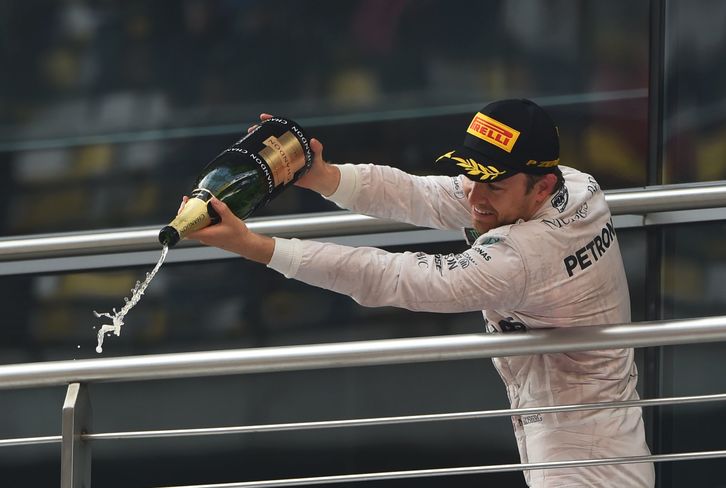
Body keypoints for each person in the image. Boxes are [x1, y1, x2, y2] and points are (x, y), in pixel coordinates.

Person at [185, 99, 655, 487]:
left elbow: (391, 276)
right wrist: (323, 176)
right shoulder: (576, 186)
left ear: (541, 186)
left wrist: (254, 246)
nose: (474, 198)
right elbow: (427, 194)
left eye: (492, 185)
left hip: (581, 460)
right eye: (473, 176)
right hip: (599, 434)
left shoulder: (520, 258)